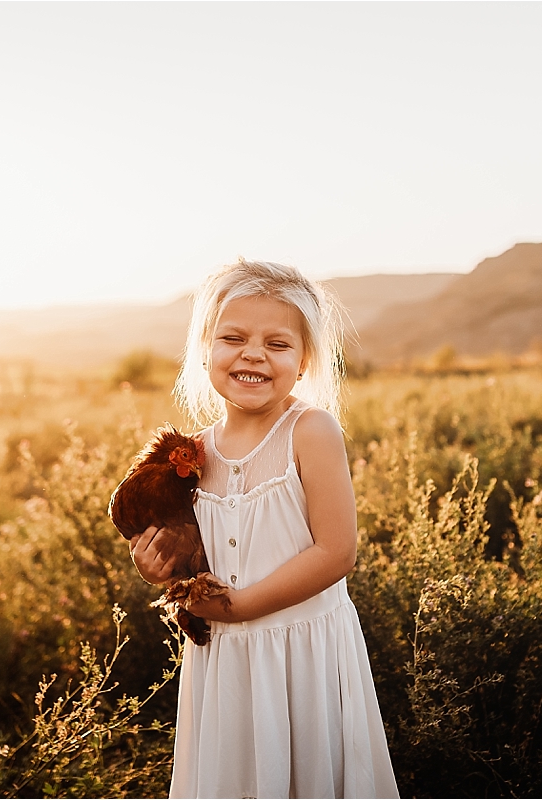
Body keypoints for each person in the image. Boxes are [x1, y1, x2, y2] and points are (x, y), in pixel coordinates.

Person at [130, 259, 400, 799]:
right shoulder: (194, 453)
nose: (253, 354)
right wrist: (154, 567)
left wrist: (245, 605)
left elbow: (336, 551)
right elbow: (193, 559)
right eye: (234, 337)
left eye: (278, 344)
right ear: (206, 347)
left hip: (301, 653)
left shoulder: (310, 431)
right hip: (225, 659)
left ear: (303, 363)